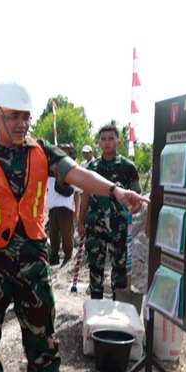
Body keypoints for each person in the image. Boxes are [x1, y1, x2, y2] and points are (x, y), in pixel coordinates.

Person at [0, 82, 148, 372]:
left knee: (42, 335)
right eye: (13, 117)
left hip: (32, 261)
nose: (22, 124)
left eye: (26, 117)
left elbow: (79, 175)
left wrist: (116, 191)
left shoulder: (42, 151)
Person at [78, 123, 142, 299]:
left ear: (118, 141)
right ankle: (96, 303)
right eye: (103, 139)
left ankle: (119, 306)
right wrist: (80, 220)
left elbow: (137, 195)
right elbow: (85, 195)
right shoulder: (92, 168)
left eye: (111, 139)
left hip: (118, 226)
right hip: (95, 225)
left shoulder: (127, 167)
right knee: (95, 266)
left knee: (119, 267)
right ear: (98, 142)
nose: (107, 143)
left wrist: (135, 207)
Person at [46, 172, 76, 265]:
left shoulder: (70, 174)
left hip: (66, 207)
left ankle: (68, 257)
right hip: (52, 207)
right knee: (53, 234)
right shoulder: (48, 177)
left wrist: (76, 210)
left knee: (66, 234)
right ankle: (54, 257)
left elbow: (77, 193)